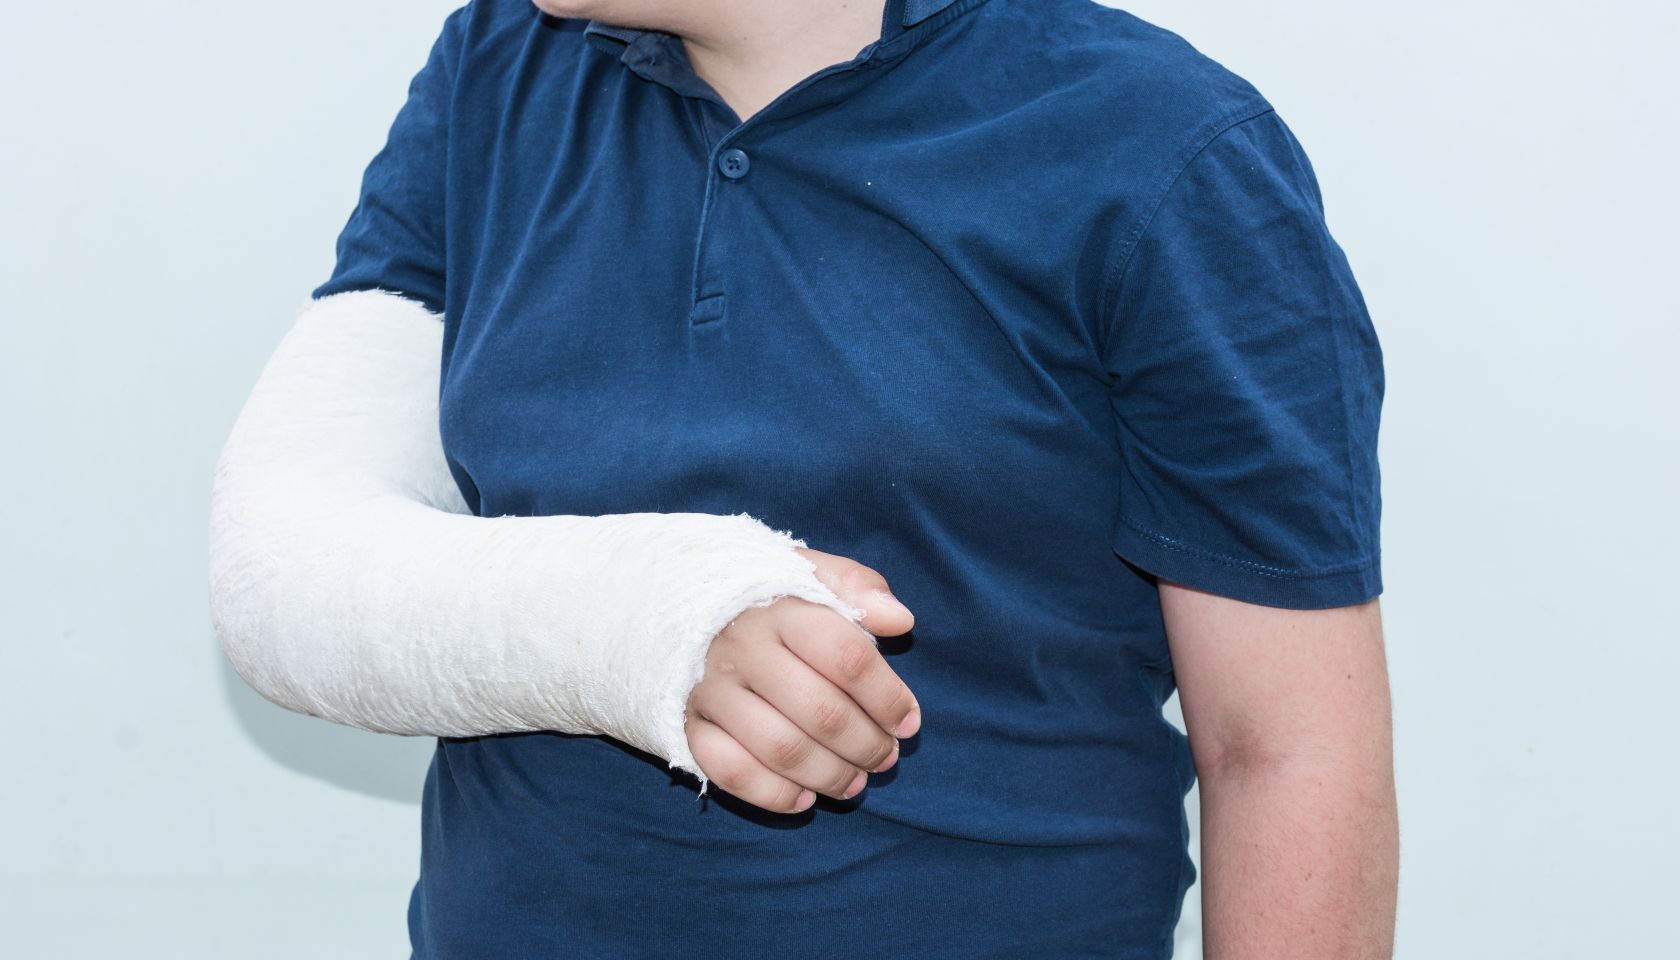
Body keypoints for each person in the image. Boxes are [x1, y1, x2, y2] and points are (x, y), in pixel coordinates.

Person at [226, 0, 1398, 956]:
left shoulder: (1161, 147)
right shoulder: (498, 66)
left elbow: (1282, 751)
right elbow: (287, 560)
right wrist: (657, 617)